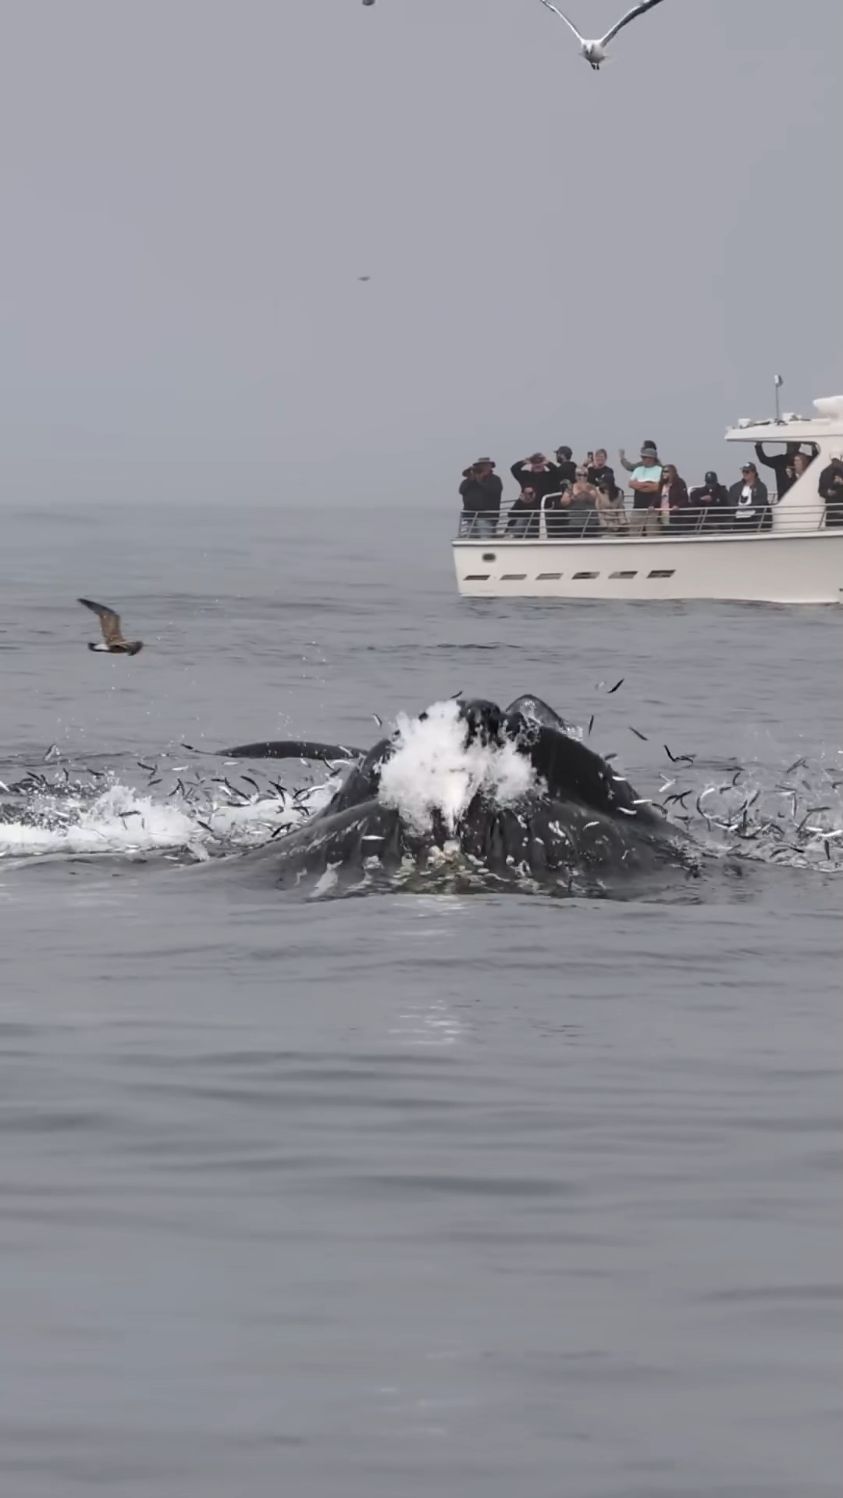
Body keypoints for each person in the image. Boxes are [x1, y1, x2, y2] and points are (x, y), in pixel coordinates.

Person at [458, 458, 502, 537]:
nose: (483, 468)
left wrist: (480, 481)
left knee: (485, 539)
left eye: (486, 466)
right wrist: (470, 479)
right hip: (471, 515)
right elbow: (461, 490)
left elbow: (494, 491)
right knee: (471, 540)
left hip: (487, 516)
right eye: (481, 466)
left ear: (490, 467)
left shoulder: (495, 479)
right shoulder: (469, 481)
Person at [627, 443, 663, 535]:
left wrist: (640, 485)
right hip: (638, 507)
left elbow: (658, 487)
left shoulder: (659, 470)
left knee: (653, 533)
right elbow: (631, 484)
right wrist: (648, 484)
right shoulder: (637, 469)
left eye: (645, 457)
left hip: (653, 509)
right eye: (642, 457)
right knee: (633, 533)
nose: (642, 459)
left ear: (651, 459)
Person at [728, 461, 771, 531]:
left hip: (753, 520)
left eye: (747, 472)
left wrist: (746, 507)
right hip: (737, 520)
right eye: (743, 471)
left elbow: (761, 502)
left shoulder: (761, 487)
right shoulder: (735, 487)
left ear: (753, 473)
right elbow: (730, 501)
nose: (744, 473)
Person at [559, 467, 600, 535]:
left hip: (591, 523)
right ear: (575, 476)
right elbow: (563, 502)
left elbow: (593, 499)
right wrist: (571, 498)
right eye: (579, 475)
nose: (582, 477)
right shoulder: (570, 487)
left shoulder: (592, 486)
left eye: (585, 475)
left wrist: (579, 495)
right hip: (575, 522)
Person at [659, 463, 691, 530]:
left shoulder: (680, 482)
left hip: (675, 515)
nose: (664, 474)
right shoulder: (661, 483)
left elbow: (685, 498)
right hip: (663, 514)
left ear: (672, 472)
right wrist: (652, 505)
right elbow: (657, 496)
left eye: (666, 472)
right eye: (663, 472)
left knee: (674, 531)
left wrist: (678, 505)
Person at [818, 452, 843, 527]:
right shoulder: (825, 472)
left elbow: (820, 491)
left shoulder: (824, 472)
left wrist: (827, 492)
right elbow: (821, 491)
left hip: (831, 511)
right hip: (833, 511)